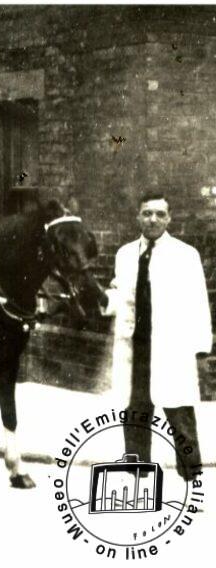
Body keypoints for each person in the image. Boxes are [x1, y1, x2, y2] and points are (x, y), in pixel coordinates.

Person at [101, 192, 211, 480]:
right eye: (147, 213)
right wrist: (104, 300)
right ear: (138, 216)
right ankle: (140, 482)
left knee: (181, 418)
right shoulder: (125, 254)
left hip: (171, 351)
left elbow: (199, 304)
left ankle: (192, 483)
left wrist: (201, 351)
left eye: (160, 214)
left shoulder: (185, 255)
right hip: (134, 352)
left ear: (169, 218)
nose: (153, 219)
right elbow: (119, 295)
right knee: (135, 415)